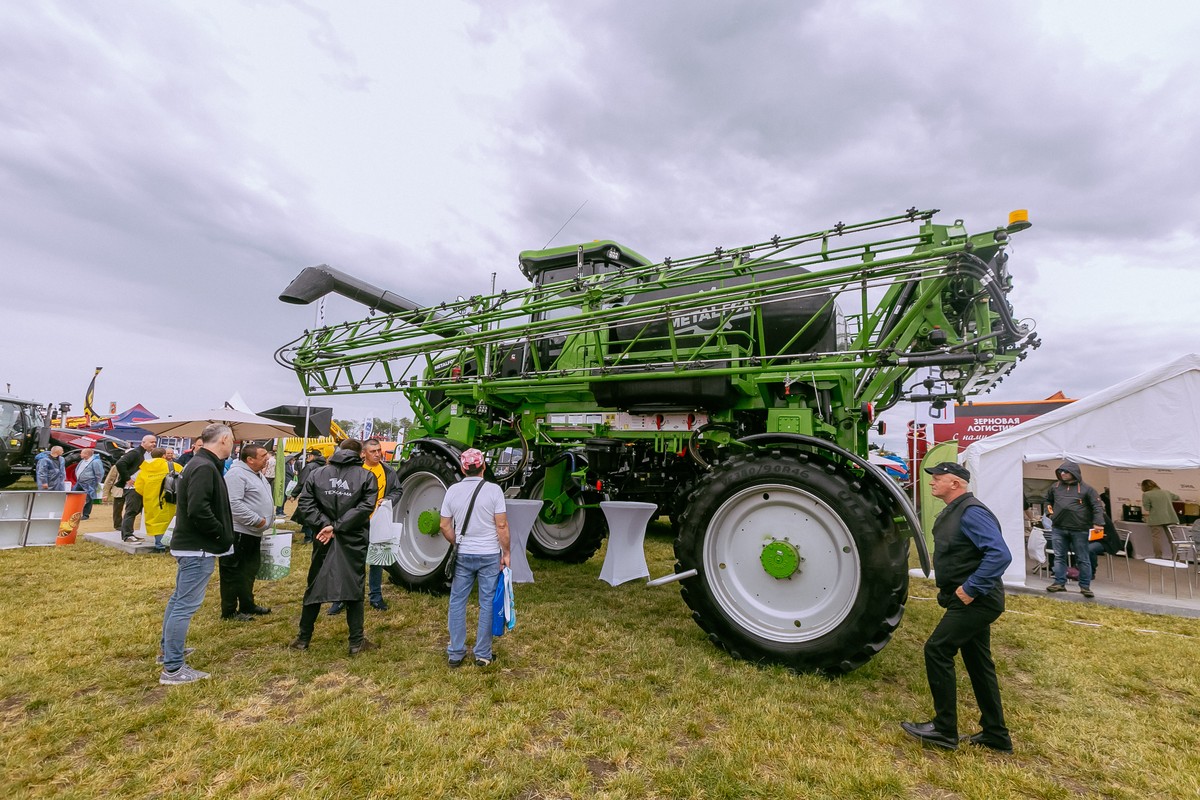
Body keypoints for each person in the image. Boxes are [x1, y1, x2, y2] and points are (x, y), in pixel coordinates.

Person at [902, 461, 1012, 754]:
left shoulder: (972, 512)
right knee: (979, 664)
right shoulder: (956, 510)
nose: (932, 482)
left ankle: (944, 729)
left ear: (956, 484)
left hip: (976, 601)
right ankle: (996, 735)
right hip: (971, 600)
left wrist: (969, 589)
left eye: (938, 478)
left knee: (937, 650)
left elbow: (999, 554)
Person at [158, 424, 235, 685]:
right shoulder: (203, 466)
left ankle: (168, 651)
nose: (233, 445)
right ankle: (173, 668)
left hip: (194, 545)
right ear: (224, 439)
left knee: (179, 599)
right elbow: (199, 509)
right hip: (198, 547)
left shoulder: (201, 462)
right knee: (184, 605)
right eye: (232, 441)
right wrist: (220, 534)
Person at [290, 439, 378, 655]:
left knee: (315, 583)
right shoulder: (366, 476)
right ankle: (356, 642)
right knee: (354, 585)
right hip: (353, 537)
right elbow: (366, 506)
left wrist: (325, 525)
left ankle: (303, 638)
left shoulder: (317, 474)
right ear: (360, 454)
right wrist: (336, 527)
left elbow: (305, 504)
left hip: (323, 536)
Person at [440, 448, 509, 668]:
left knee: (457, 601)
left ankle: (456, 652)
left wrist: (455, 542)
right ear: (484, 466)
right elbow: (501, 525)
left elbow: (444, 525)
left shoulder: (452, 491)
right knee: (487, 602)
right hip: (489, 553)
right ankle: (482, 653)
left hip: (464, 552)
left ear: (462, 468)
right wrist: (506, 552)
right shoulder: (494, 491)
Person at [329, 438, 403, 614]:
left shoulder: (388, 471)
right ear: (363, 453)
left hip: (378, 522)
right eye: (373, 451)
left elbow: (397, 490)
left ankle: (375, 597)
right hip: (356, 523)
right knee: (351, 561)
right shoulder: (355, 470)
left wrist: (389, 500)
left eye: (379, 450)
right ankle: (342, 598)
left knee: (376, 561)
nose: (378, 454)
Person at [219, 443, 274, 619]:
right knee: (233, 571)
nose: (267, 458)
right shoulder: (236, 474)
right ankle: (229, 611)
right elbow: (233, 504)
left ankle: (247, 605)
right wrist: (257, 521)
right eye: (263, 455)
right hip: (240, 533)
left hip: (253, 533)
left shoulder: (256, 474)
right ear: (250, 459)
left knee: (248, 571)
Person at [1043, 460, 1104, 598]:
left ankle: (1085, 586)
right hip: (1058, 528)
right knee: (1059, 557)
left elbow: (1097, 507)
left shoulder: (1087, 489)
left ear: (1074, 473)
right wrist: (1050, 514)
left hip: (1080, 529)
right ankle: (1059, 582)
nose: (1062, 474)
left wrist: (1098, 523)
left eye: (1065, 471)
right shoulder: (1055, 487)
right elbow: (1047, 501)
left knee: (1083, 558)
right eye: (1060, 472)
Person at [134, 448, 182, 553]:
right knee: (170, 522)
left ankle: (160, 546)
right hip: (170, 499)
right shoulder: (174, 466)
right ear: (164, 455)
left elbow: (138, 487)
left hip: (151, 500)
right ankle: (171, 544)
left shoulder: (145, 468)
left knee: (156, 523)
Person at [116, 434, 158, 543]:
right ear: (143, 442)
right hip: (132, 487)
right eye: (151, 442)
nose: (153, 444)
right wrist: (127, 479)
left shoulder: (149, 455)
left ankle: (130, 533)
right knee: (131, 511)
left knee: (137, 511)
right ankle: (127, 535)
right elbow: (120, 463)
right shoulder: (135, 453)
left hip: (143, 487)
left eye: (154, 442)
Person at [290, 449, 326, 544]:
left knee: (307, 513)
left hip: (309, 494)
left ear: (312, 456)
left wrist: (294, 494)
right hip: (322, 494)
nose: (307, 458)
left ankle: (308, 537)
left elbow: (302, 481)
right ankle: (308, 532)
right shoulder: (325, 466)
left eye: (309, 456)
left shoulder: (310, 466)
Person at [1141, 479, 1181, 559]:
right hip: (1170, 518)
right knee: (1172, 538)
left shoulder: (1146, 494)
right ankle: (1176, 556)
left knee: (1156, 538)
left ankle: (1158, 557)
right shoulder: (1166, 492)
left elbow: (1147, 508)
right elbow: (1177, 498)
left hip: (1156, 519)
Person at [74, 448, 105, 520]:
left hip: (89, 483)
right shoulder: (82, 461)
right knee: (74, 495)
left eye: (81, 453)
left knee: (88, 498)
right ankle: (74, 512)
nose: (80, 454)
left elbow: (99, 473)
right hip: (80, 482)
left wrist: (96, 482)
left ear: (86, 454)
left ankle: (86, 514)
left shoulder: (95, 462)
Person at [102, 463, 125, 528]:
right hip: (119, 491)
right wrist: (105, 494)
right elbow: (109, 480)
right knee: (117, 509)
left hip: (132, 490)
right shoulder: (117, 466)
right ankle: (118, 525)